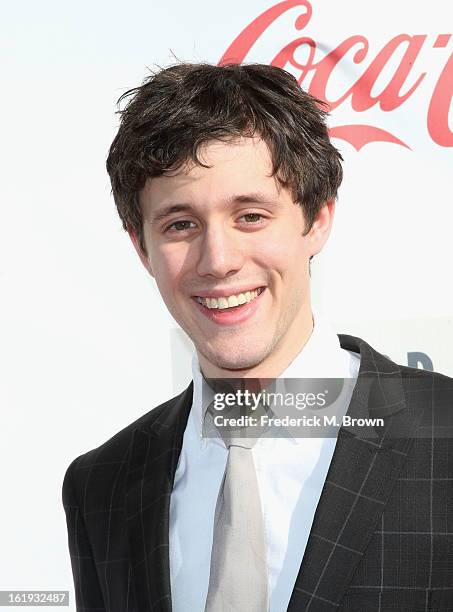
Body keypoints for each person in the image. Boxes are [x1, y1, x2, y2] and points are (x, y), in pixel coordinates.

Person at [62, 62, 453, 612]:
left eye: (249, 216)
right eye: (180, 224)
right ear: (141, 247)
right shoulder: (100, 485)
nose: (218, 261)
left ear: (317, 219)